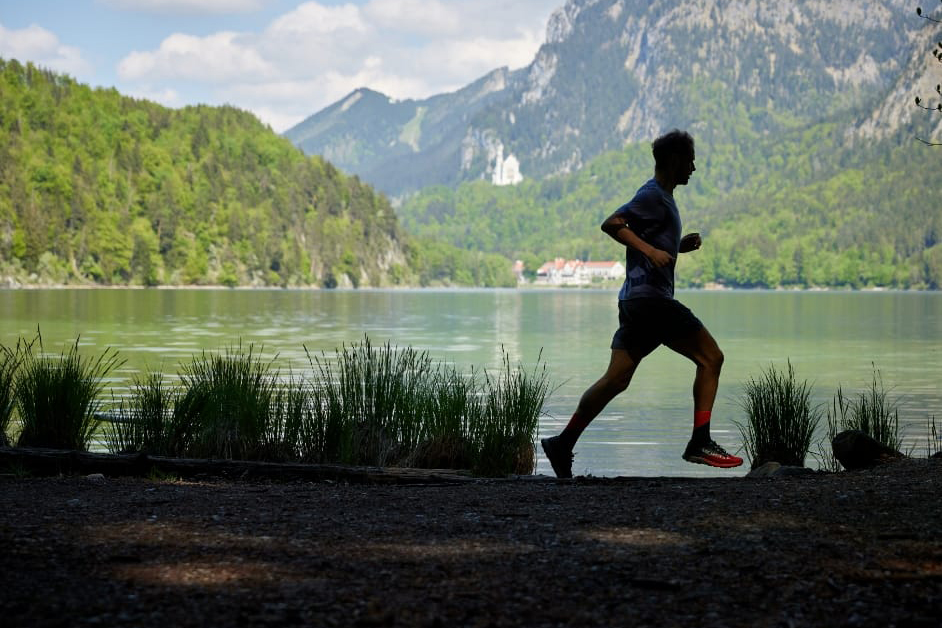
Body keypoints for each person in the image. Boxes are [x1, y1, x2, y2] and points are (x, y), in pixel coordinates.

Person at [540, 129, 743, 478]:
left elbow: (648, 238)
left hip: (635, 302)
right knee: (712, 358)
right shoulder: (652, 195)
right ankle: (701, 441)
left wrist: (676, 246)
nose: (693, 168)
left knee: (616, 379)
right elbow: (612, 224)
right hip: (651, 301)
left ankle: (562, 443)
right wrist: (650, 250)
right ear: (675, 161)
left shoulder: (663, 198)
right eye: (690, 161)